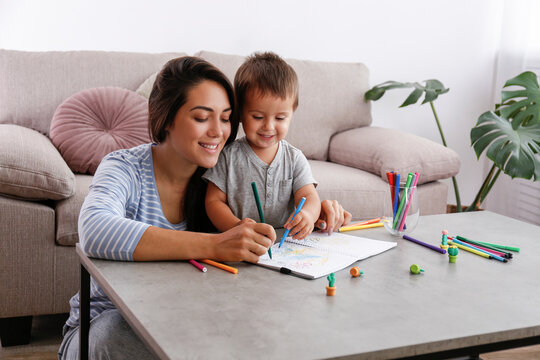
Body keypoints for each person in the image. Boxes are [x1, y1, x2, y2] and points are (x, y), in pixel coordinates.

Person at [58, 55, 350, 360]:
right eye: (201, 118)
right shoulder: (124, 167)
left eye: (225, 118)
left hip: (184, 325)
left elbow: (268, 212)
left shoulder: (222, 174)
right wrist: (215, 244)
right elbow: (95, 230)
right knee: (117, 334)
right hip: (105, 330)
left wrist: (317, 212)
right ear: (167, 118)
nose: (218, 132)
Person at [204, 52, 348, 239]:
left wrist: (307, 216)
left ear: (292, 113)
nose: (268, 126)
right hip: (241, 240)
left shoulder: (294, 158)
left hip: (284, 242)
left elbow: (310, 197)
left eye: (280, 118)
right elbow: (213, 202)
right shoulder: (227, 156)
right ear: (239, 113)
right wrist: (236, 226)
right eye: (257, 117)